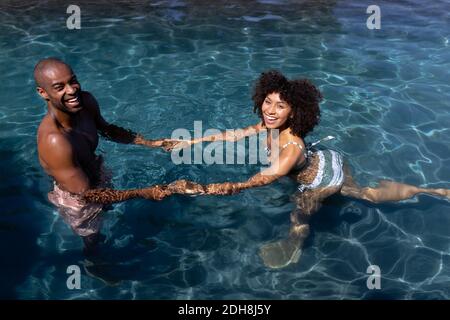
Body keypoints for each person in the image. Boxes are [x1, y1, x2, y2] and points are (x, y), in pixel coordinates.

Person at [165, 70, 450, 269]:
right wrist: (189, 141)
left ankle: (294, 246)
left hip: (321, 179)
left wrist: (203, 189)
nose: (271, 110)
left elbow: (258, 180)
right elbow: (232, 134)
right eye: (268, 101)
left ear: (295, 111)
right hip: (325, 156)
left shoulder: (291, 148)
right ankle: (434, 190)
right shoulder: (269, 125)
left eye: (281, 105)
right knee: (365, 194)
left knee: (300, 211)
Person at [35, 58, 202, 254]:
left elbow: (107, 130)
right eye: (59, 87)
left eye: (73, 81)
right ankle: (93, 261)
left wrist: (152, 143)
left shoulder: (86, 102)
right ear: (43, 93)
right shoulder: (55, 141)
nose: (72, 90)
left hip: (94, 171)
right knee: (92, 237)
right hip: (77, 196)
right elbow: (88, 195)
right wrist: (143, 192)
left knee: (109, 208)